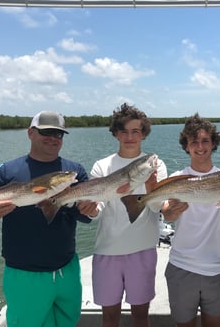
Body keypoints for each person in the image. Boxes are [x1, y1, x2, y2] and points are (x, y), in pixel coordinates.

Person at [0, 111, 98, 327]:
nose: (53, 138)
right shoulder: (7, 171)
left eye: (59, 134)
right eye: (47, 132)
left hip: (68, 270)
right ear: (30, 133)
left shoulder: (74, 171)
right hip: (25, 275)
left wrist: (88, 209)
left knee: (68, 322)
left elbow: (84, 218)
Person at [160, 113, 220, 327]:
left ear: (213, 144)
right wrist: (173, 210)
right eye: (194, 141)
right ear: (186, 146)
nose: (200, 146)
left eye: (205, 141)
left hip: (219, 268)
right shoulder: (177, 178)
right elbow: (167, 213)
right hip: (182, 266)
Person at [90, 103, 167, 327]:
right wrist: (90, 208)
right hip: (107, 250)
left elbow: (156, 207)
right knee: (110, 317)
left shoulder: (155, 164)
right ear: (115, 133)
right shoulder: (102, 166)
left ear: (143, 133)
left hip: (142, 250)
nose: (129, 136)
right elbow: (98, 210)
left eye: (136, 131)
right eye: (124, 131)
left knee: (141, 315)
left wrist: (152, 189)